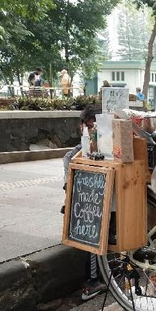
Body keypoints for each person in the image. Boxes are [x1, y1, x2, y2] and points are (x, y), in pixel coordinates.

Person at [61, 106, 108, 301]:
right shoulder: (73, 157)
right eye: (90, 127)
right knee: (91, 219)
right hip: (86, 210)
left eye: (98, 127)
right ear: (82, 128)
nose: (93, 132)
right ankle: (91, 282)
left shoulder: (110, 152)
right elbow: (70, 190)